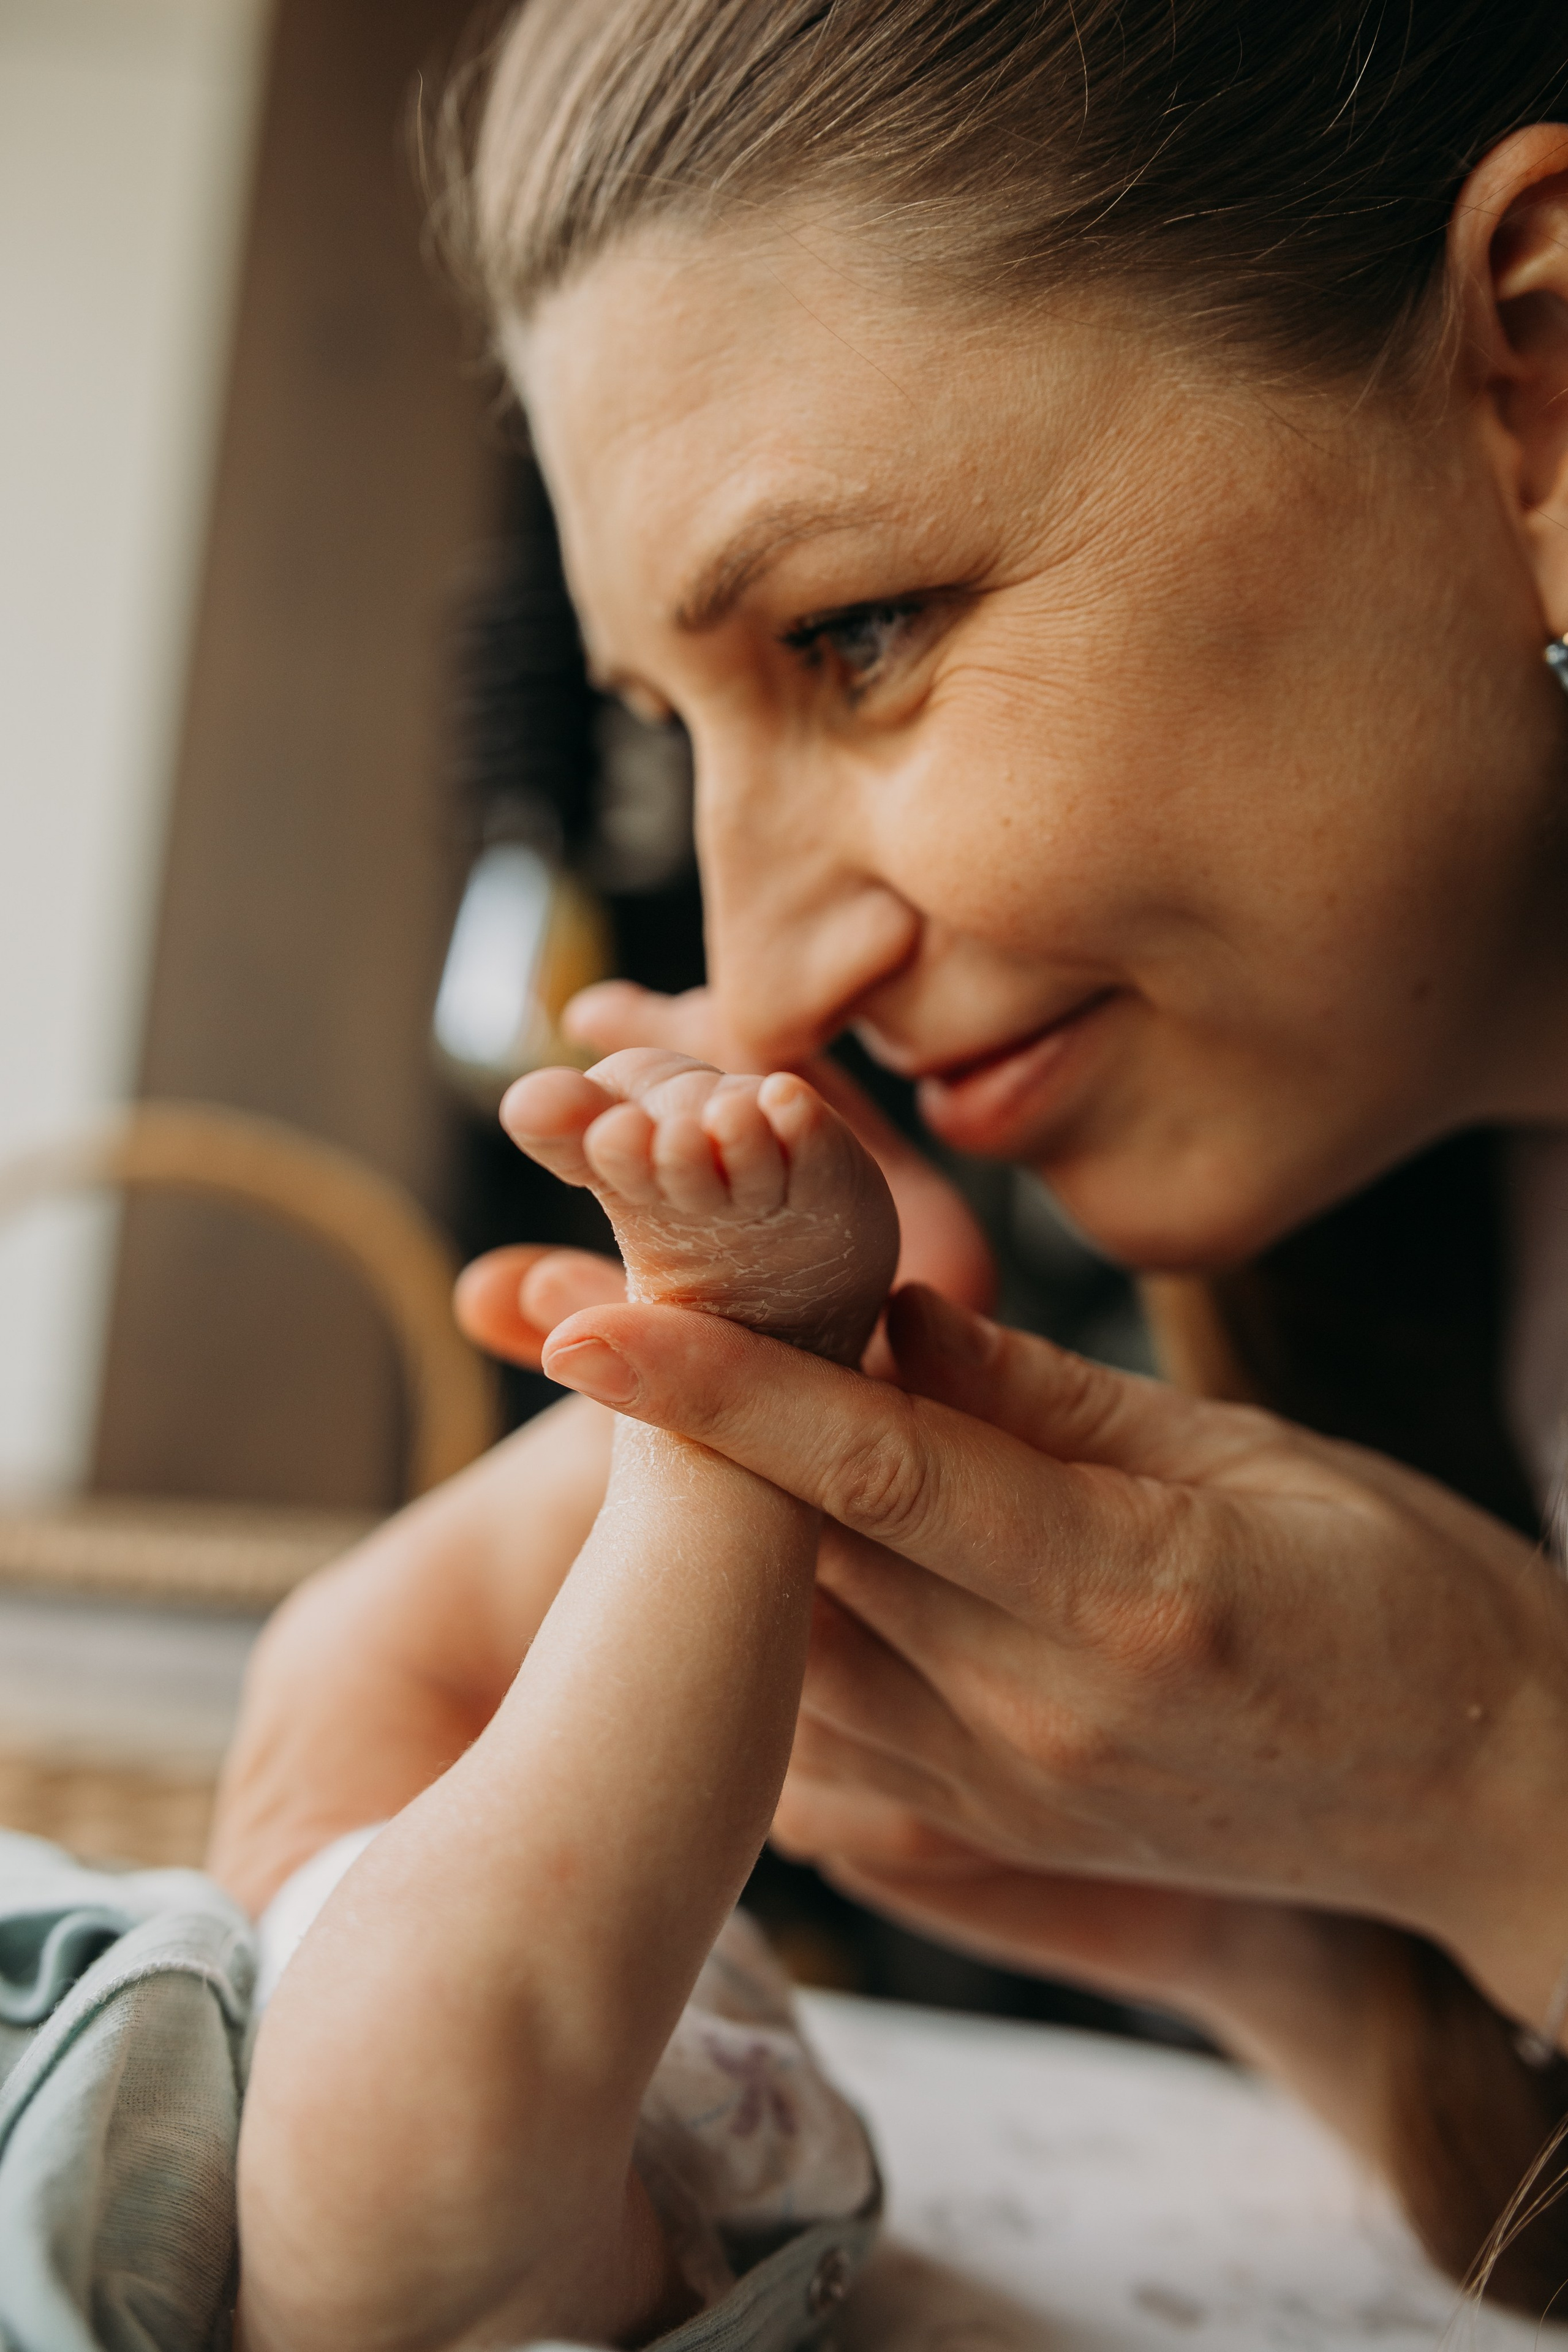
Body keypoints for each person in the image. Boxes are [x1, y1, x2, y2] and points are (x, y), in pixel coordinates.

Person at [211, 0, 1568, 2321]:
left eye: (855, 635)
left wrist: (1503, 1785)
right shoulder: (1445, 1253)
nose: (757, 985)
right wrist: (1301, 1944)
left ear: (1532, 383)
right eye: (673, 735)